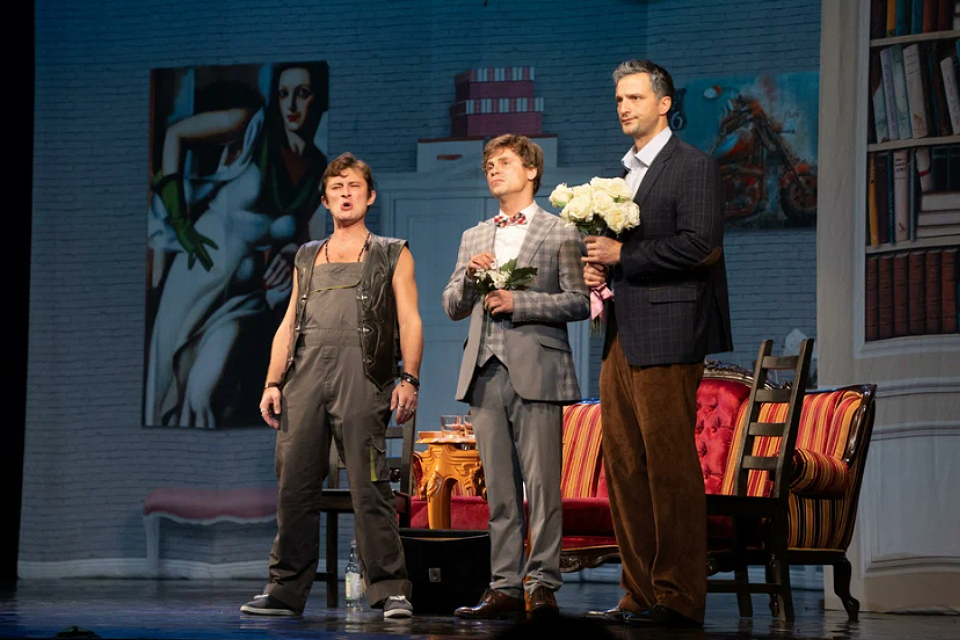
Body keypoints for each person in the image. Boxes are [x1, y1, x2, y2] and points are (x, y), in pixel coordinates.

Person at [582, 60, 733, 629]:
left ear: (664, 104)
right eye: (619, 99)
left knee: (669, 468)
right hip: (622, 335)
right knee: (624, 468)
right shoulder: (622, 175)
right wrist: (598, 269)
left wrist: (625, 256)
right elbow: (619, 253)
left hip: (670, 332)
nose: (624, 107)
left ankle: (678, 598)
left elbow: (701, 244)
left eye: (635, 97)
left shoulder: (692, 165)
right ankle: (639, 594)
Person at [240, 153, 422, 619]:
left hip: (362, 376)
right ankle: (285, 590)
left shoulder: (392, 252)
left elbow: (409, 318)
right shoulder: (306, 255)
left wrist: (409, 377)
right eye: (336, 187)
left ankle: (390, 589)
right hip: (304, 378)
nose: (345, 193)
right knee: (294, 486)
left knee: (370, 484)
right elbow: (288, 323)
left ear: (370, 196)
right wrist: (273, 381)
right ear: (324, 200)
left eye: (354, 186)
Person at [443, 135, 590, 620]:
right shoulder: (474, 236)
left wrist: (518, 302)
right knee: (500, 489)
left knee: (542, 486)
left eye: (503, 162)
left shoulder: (560, 232)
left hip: (538, 368)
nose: (493, 169)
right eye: (488, 163)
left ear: (530, 171)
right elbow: (451, 305)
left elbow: (579, 301)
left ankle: (542, 583)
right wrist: (470, 277)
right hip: (484, 371)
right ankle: (504, 585)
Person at [145, 62, 328, 428]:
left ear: (317, 100)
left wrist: (289, 253)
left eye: (303, 93)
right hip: (197, 277)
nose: (292, 104)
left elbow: (296, 233)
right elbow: (175, 135)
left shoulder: (316, 168)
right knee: (163, 389)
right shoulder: (252, 124)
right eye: (283, 94)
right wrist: (180, 220)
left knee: (203, 395)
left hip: (244, 295)